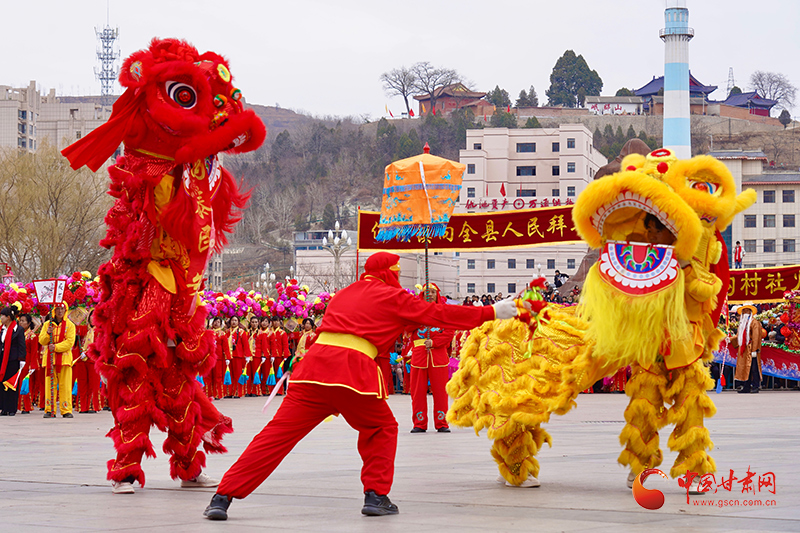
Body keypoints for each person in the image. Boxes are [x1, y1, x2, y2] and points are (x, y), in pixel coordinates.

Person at [203, 252, 517, 520]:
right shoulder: (392, 295)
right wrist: (491, 312)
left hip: (312, 370)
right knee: (382, 428)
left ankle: (222, 497)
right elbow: (435, 313)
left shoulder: (345, 293)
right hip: (351, 374)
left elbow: (380, 323)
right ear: (389, 274)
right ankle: (375, 496)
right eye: (396, 272)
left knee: (275, 436)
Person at [409, 283, 455, 433]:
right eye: (427, 292)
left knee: (441, 391)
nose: (430, 294)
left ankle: (442, 422)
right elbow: (406, 327)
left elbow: (449, 333)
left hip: (438, 356)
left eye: (433, 292)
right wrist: (419, 314)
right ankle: (419, 423)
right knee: (417, 392)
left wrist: (434, 342)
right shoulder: (414, 312)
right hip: (419, 356)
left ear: (437, 295)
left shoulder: (444, 313)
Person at [38, 302, 76, 419]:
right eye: (58, 309)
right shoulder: (47, 325)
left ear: (66, 311)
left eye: (62, 309)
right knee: (49, 385)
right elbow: (42, 340)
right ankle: (49, 409)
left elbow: (70, 342)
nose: (60, 311)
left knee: (65, 385)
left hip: (64, 359)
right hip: (50, 359)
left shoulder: (70, 325)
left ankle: (66, 410)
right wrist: (48, 333)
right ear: (54, 310)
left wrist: (56, 347)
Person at [0, 306, 26, 416]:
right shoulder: (1, 329)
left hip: (13, 360)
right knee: (2, 383)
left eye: (3, 316)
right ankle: (4, 408)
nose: (1, 318)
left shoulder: (18, 329)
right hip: (2, 360)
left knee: (11, 384)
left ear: (9, 317)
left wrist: (21, 359)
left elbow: (21, 345)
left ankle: (12, 408)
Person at [731, 304, 762, 393]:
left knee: (754, 368)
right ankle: (746, 386)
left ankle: (756, 386)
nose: (744, 313)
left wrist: (755, 349)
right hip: (744, 349)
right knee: (745, 368)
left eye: (746, 311)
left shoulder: (754, 323)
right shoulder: (742, 324)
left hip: (751, 348)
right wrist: (729, 339)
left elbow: (756, 337)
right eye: (743, 312)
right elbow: (738, 336)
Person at [16, 314, 39, 414]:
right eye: (20, 320)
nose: (21, 323)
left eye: (23, 321)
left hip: (27, 361)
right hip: (18, 360)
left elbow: (34, 352)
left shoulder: (32, 336)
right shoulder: (18, 334)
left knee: (25, 384)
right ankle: (18, 405)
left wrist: (32, 365)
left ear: (29, 323)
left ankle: (26, 406)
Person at [224, 317, 250, 399]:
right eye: (232, 320)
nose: (234, 322)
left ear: (238, 322)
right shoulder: (227, 332)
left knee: (237, 375)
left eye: (236, 320)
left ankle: (237, 393)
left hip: (238, 355)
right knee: (229, 374)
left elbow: (245, 344)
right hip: (228, 356)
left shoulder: (242, 332)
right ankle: (229, 393)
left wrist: (247, 355)